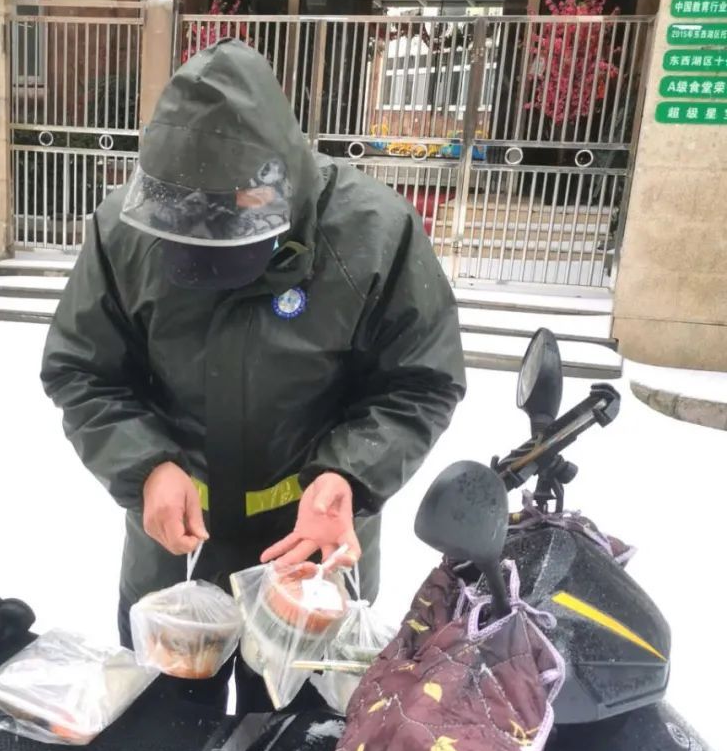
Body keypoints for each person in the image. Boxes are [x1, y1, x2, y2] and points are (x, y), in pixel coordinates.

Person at [41, 39, 466, 708]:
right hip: (176, 555)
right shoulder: (124, 233)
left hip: (309, 558)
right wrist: (145, 465)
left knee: (294, 746)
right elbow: (81, 369)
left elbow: (421, 379)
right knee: (164, 735)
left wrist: (348, 475)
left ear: (269, 191)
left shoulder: (373, 234)